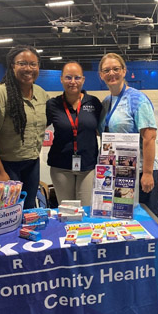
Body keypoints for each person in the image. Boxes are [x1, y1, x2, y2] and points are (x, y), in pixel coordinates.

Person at [0, 45, 48, 209]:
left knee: (29, 207)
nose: (28, 69)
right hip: (4, 164)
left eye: (33, 64)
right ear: (12, 66)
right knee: (7, 211)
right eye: (22, 63)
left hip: (31, 163)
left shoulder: (41, 94)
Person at [98, 53, 158, 218]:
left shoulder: (137, 99)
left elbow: (149, 137)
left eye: (116, 69)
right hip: (117, 171)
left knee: (146, 221)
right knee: (122, 219)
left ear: (124, 71)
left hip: (140, 171)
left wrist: (147, 173)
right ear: (101, 75)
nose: (111, 73)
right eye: (107, 70)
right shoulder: (106, 102)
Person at [46, 61, 102, 206]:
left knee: (86, 211)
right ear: (61, 79)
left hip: (88, 166)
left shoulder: (94, 103)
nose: (73, 82)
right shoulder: (52, 105)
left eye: (77, 78)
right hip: (61, 166)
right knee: (67, 212)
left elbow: (103, 129)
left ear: (83, 79)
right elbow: (36, 128)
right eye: (68, 77)